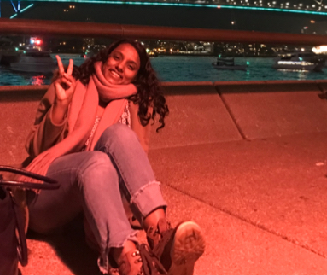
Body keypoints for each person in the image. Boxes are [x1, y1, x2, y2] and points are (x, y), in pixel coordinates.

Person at [23, 40, 206, 275]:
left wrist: (125, 213)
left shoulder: (136, 107)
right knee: (96, 161)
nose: (120, 67)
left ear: (136, 76)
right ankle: (127, 253)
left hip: (98, 210)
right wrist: (61, 103)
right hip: (49, 199)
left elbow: (134, 169)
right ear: (105, 57)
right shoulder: (70, 84)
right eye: (117, 57)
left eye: (130, 66)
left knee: (120, 134)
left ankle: (152, 243)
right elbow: (36, 149)